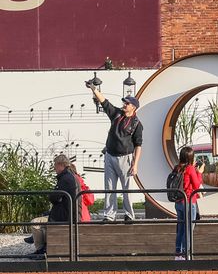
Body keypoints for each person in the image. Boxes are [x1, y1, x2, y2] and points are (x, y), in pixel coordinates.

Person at [90, 88, 143, 222]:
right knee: (109, 187)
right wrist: (94, 89)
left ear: (133, 107)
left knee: (127, 189)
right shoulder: (117, 114)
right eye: (124, 102)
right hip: (110, 155)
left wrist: (135, 164)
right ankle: (109, 215)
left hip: (125, 157)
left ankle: (129, 215)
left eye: (127, 103)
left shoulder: (137, 124)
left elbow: (138, 145)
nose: (124, 105)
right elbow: (104, 102)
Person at [28, 154, 80, 258]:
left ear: (60, 165)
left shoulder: (65, 178)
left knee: (35, 223)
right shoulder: (70, 176)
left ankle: (41, 250)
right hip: (68, 213)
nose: (54, 168)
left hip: (65, 216)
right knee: (43, 220)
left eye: (55, 166)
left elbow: (54, 197)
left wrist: (53, 195)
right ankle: (43, 247)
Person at [173, 146, 204, 260]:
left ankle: (178, 254)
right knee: (189, 228)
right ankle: (187, 254)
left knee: (180, 228)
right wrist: (199, 173)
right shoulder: (190, 169)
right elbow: (196, 185)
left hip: (178, 202)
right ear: (190, 157)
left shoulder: (177, 168)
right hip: (189, 202)